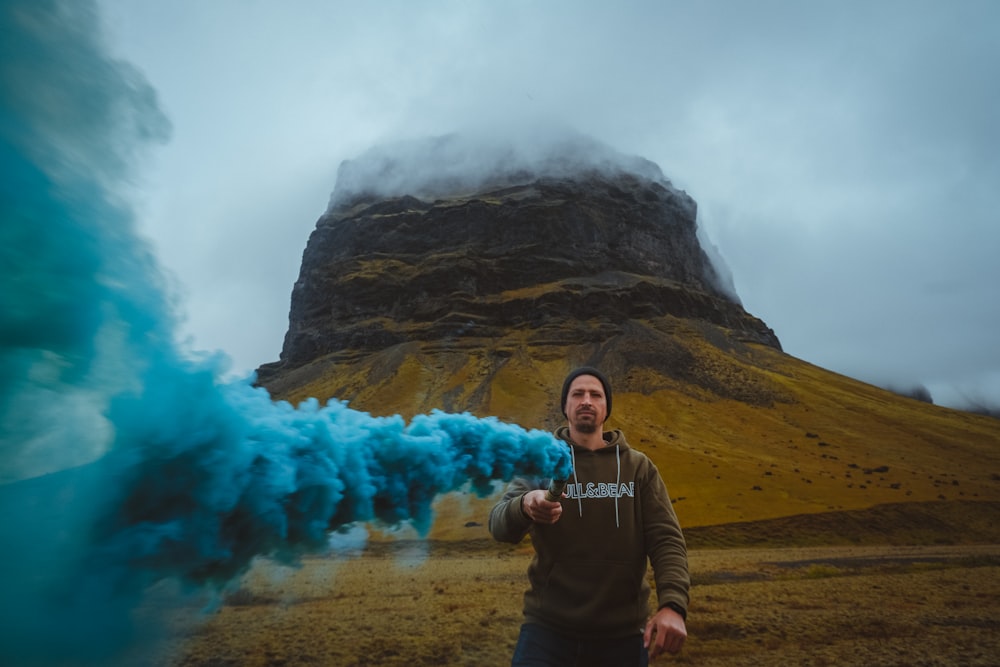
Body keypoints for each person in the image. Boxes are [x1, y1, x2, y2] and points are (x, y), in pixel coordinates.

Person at [489, 367, 689, 666]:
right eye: (577, 394)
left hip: (623, 636)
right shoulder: (542, 461)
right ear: (565, 407)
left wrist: (673, 606)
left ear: (606, 407)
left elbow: (666, 540)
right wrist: (525, 504)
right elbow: (498, 525)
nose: (586, 400)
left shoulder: (638, 467)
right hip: (547, 633)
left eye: (595, 395)